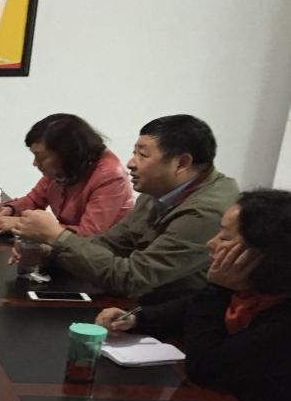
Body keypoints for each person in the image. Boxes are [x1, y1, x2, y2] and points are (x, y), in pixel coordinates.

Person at [95, 189, 291, 401]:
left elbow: (205, 367)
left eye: (225, 237)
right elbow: (185, 309)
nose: (211, 243)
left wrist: (217, 288)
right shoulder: (249, 291)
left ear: (261, 253)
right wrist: (136, 319)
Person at [14, 114, 239, 302]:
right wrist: (49, 250)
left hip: (175, 322)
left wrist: (56, 237)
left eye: (143, 155)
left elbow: (133, 279)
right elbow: (110, 243)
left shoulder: (206, 213)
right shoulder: (157, 191)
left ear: (182, 163)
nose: (131, 163)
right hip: (142, 307)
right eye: (134, 153)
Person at [0, 113, 133, 236]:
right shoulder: (62, 169)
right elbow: (34, 200)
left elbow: (88, 234)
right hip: (66, 250)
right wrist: (11, 209)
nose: (35, 163)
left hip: (102, 255)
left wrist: (20, 223)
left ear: (65, 154)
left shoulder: (110, 176)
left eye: (40, 157)